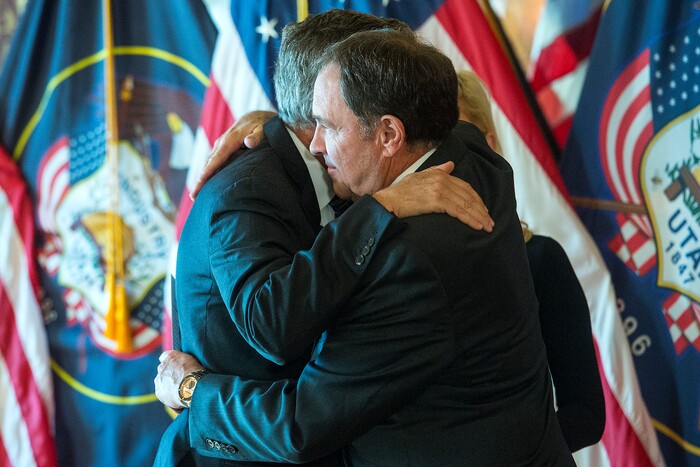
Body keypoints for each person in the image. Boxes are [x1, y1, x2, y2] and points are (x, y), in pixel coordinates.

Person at [156, 28, 574, 465]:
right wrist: (278, 129)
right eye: (309, 126)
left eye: (327, 126)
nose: (314, 144)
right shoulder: (475, 159)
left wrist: (192, 389)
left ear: (390, 134)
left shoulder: (409, 268)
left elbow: (301, 425)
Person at [456, 70, 605, 452]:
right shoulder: (405, 264)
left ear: (489, 145)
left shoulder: (540, 260)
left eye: (454, 137)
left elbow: (585, 415)